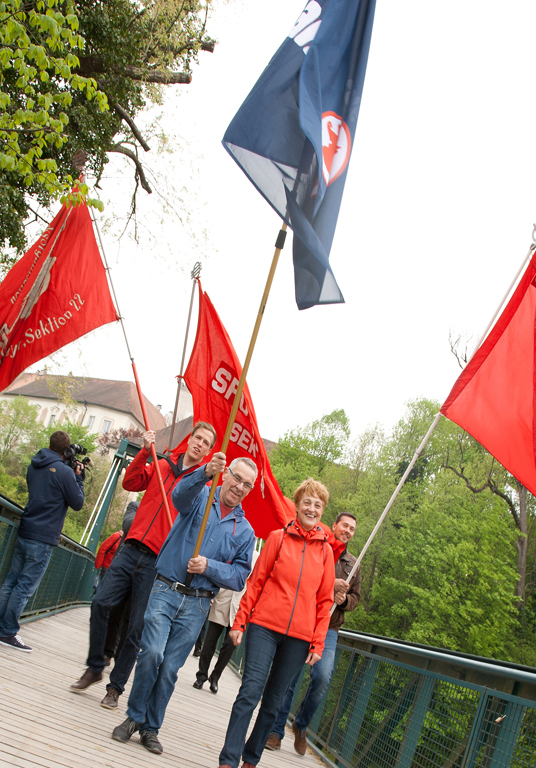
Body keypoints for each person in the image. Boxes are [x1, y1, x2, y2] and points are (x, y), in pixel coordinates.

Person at [111, 454, 256, 756]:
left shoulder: (245, 531)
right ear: (226, 474)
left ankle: (151, 727)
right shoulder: (201, 494)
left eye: (247, 484)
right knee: (151, 653)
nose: (239, 487)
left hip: (198, 605)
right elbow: (178, 496)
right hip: (166, 588)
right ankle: (134, 716)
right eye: (237, 478)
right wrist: (204, 471)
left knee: (170, 670)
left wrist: (210, 567)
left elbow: (240, 574)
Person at [70, 421, 216, 709]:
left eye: (206, 443)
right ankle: (96, 665)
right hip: (130, 548)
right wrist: (144, 453)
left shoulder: (201, 487)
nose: (199, 443)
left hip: (157, 562)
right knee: (100, 602)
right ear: (189, 440)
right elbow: (130, 482)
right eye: (197, 437)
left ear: (209, 452)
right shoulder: (162, 467)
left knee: (136, 628)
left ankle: (115, 688)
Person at [217, 477, 335, 768]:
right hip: (264, 627)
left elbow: (324, 602)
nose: (311, 508)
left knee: (273, 703)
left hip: (299, 637)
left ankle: (250, 759)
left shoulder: (326, 552)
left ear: (322, 512)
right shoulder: (277, 538)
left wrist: (318, 642)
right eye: (306, 502)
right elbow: (255, 583)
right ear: (296, 506)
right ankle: (228, 760)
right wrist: (239, 621)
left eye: (317, 505)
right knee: (250, 692)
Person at [266, 511, 361, 754]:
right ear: (335, 525)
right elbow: (304, 580)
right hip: (304, 620)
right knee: (289, 679)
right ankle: (275, 732)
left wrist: (342, 600)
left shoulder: (353, 565)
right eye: (345, 526)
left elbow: (356, 599)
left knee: (322, 678)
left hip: (329, 627)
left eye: (352, 528)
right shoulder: (317, 547)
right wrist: (331, 585)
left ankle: (301, 724)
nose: (348, 531)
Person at [0, 430, 84, 653]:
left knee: (12, 580)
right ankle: (8, 631)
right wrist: (78, 479)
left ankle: (1, 626)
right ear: (66, 451)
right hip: (44, 536)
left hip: (26, 528)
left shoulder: (34, 465)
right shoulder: (65, 473)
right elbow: (77, 503)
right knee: (25, 586)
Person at [193, 550, 259, 694]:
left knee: (230, 645)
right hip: (222, 599)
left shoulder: (257, 557)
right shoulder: (232, 549)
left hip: (240, 606)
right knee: (210, 642)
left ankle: (215, 677)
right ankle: (201, 675)